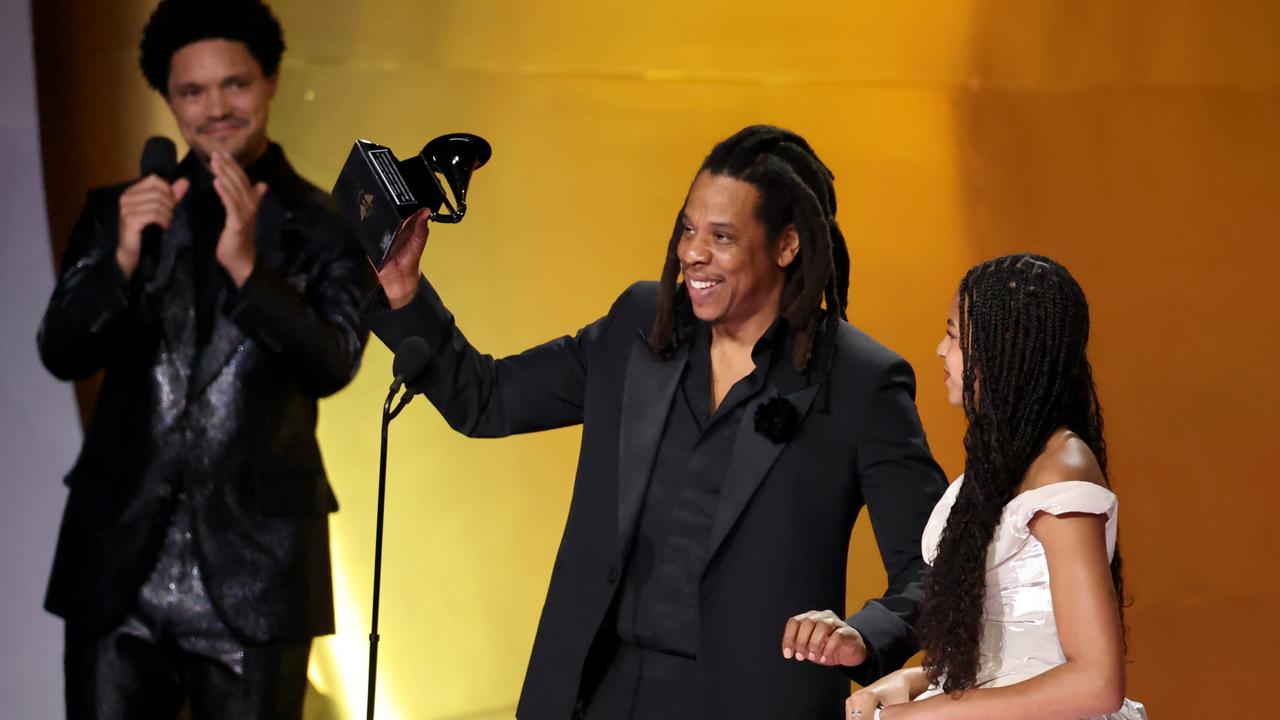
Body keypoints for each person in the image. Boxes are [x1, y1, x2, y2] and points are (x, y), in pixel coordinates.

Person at [366, 125, 947, 719]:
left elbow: (937, 567)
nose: (693, 252)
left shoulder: (859, 381)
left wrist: (862, 634)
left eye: (722, 237)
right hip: (596, 694)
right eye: (688, 229)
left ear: (788, 245)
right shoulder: (640, 326)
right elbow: (487, 400)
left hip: (752, 700)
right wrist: (403, 290)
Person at [36, 1, 373, 717]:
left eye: (235, 85)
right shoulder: (118, 212)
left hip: (258, 576)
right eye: (193, 91)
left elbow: (335, 362)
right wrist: (121, 260)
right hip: (118, 571)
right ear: (168, 98)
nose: (216, 108)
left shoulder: (328, 224)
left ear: (272, 80)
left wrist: (253, 273)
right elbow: (61, 349)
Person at [837, 254, 1147, 719]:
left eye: (954, 336)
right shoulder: (1002, 465)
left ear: (1003, 350)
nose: (941, 350)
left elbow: (1096, 681)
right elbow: (1002, 658)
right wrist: (912, 679)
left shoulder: (1063, 471)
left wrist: (924, 714)